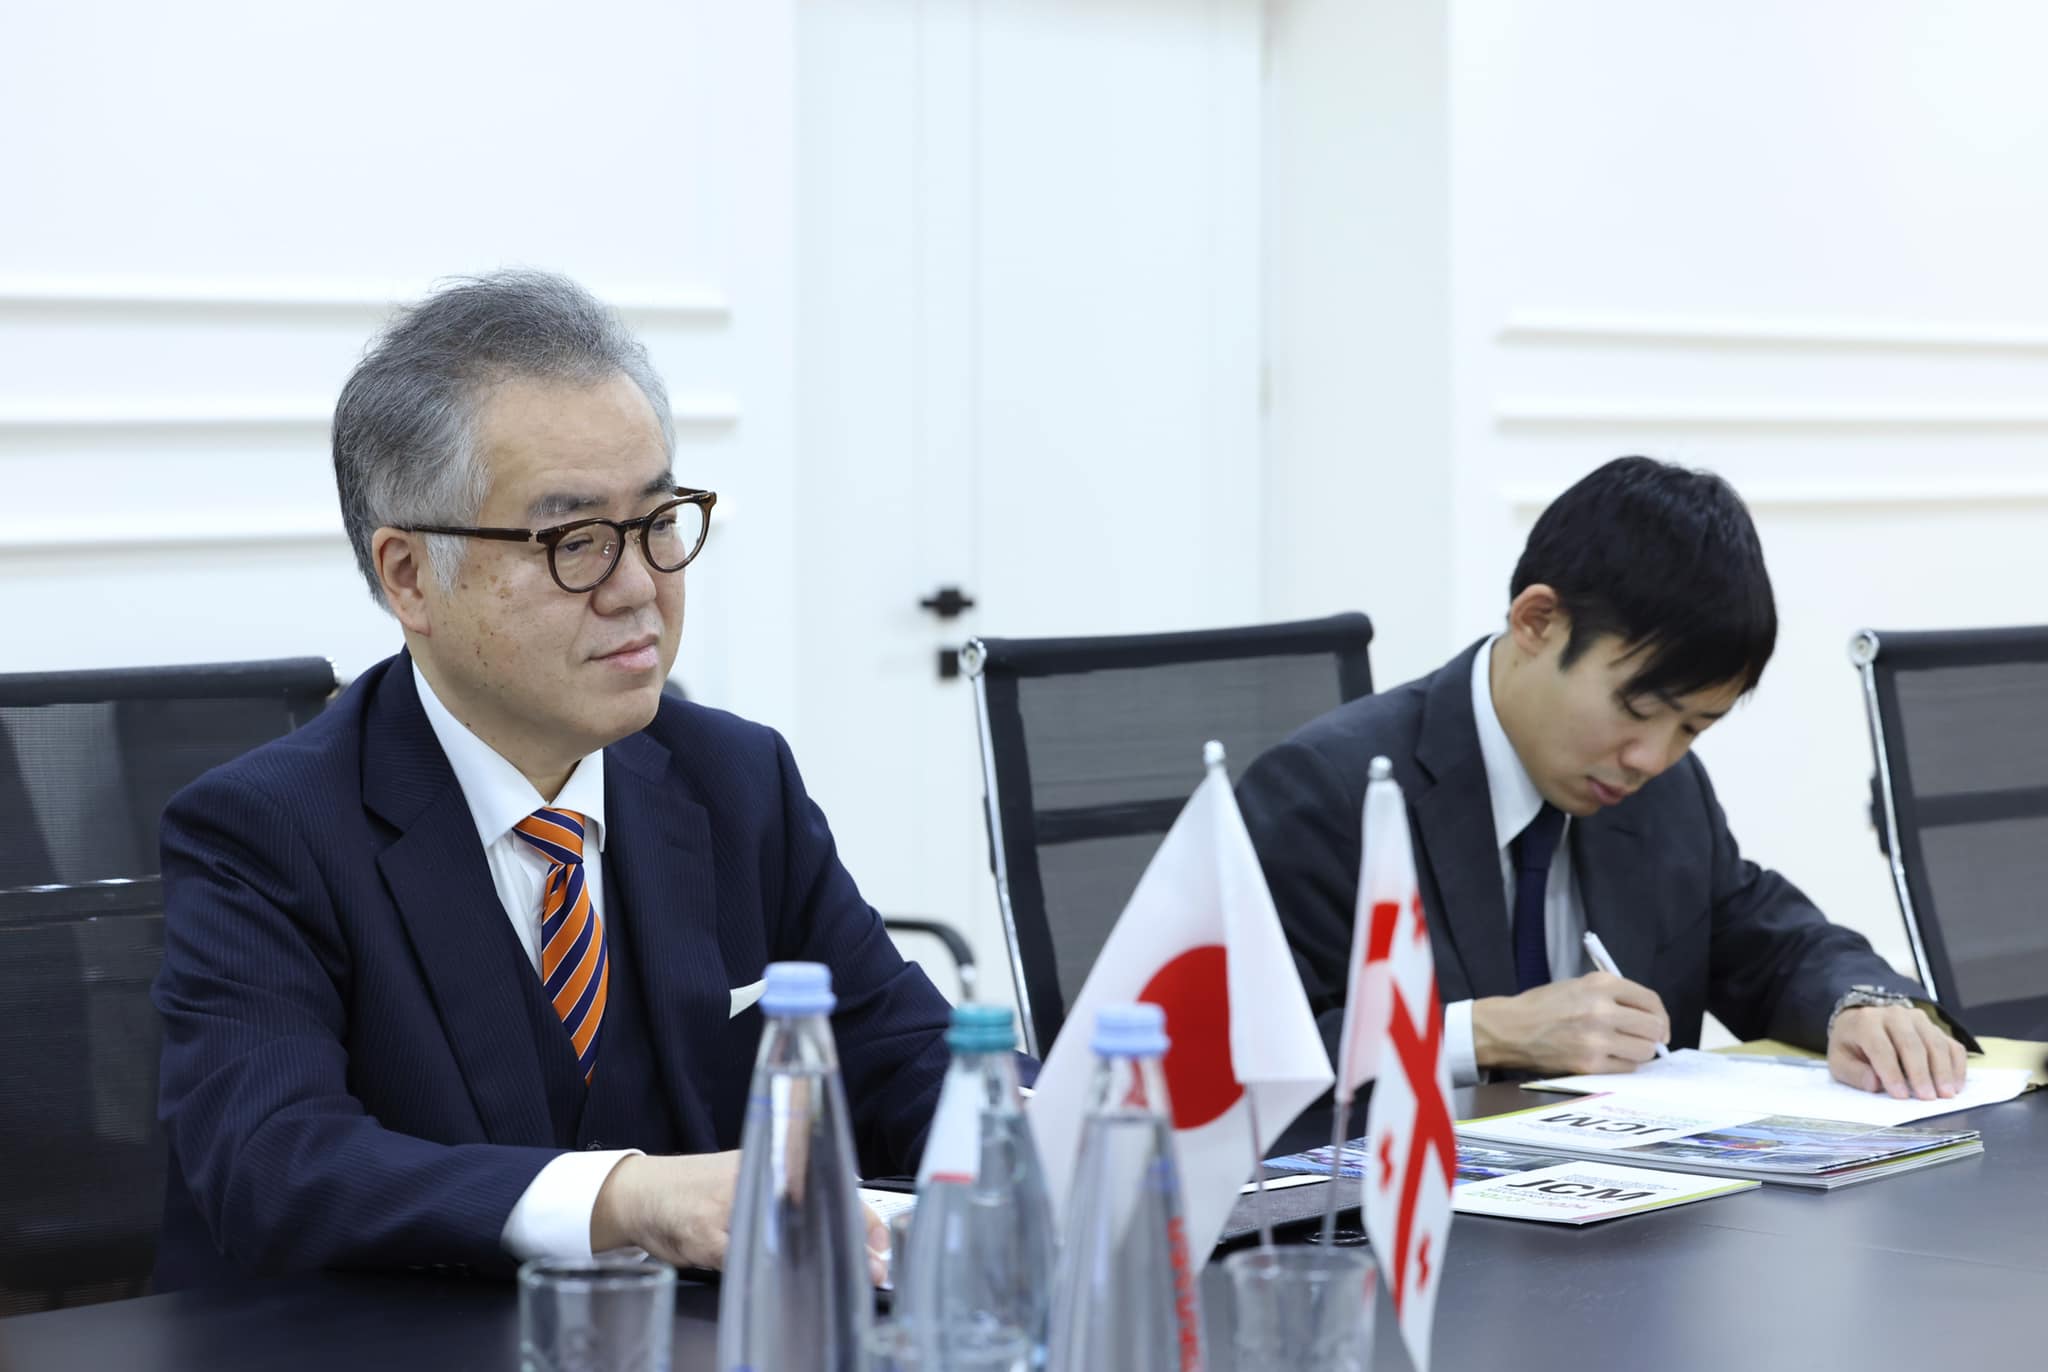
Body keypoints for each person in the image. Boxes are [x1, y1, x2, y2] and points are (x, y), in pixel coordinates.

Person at [152, 270, 953, 1287]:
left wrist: (1039, 1124)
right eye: (574, 541)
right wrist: (625, 1199)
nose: (638, 587)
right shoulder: (267, 830)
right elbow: (273, 1165)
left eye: (659, 522)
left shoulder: (736, 780)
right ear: (409, 576)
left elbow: (902, 1053)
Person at [1238, 456, 1970, 1101]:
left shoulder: (1664, 792)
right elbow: (1238, 1054)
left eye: (1693, 727)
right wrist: (1483, 1032)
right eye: (1637, 709)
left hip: (1633, 1205)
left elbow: (1772, 944)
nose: (1652, 757)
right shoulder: (1329, 792)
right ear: (1537, 621)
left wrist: (1864, 1005)